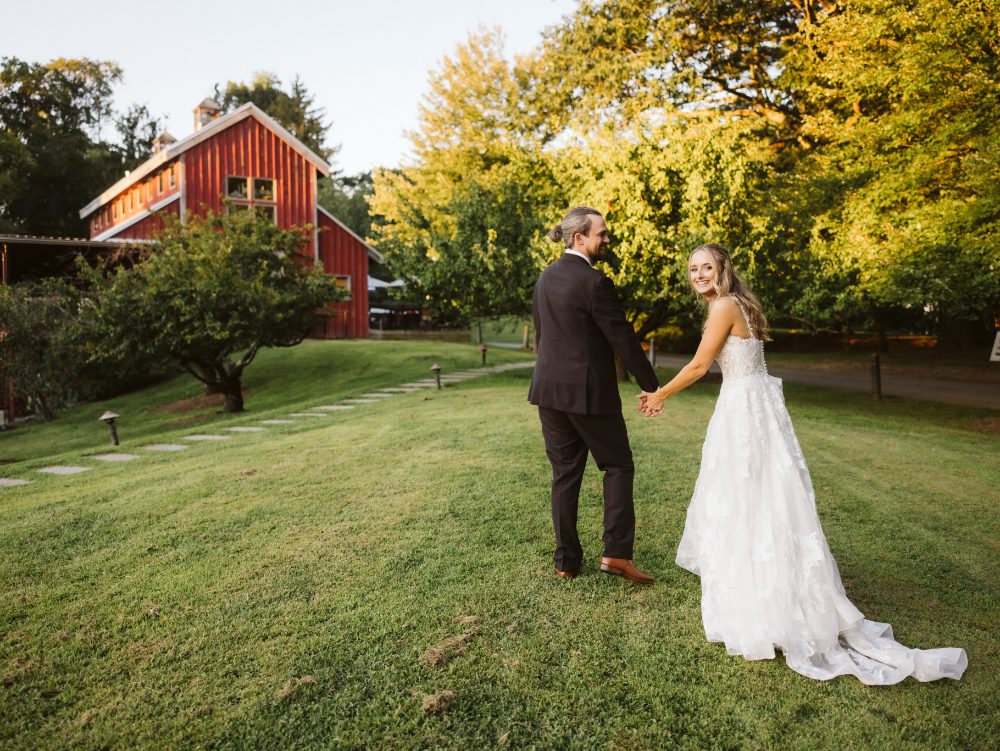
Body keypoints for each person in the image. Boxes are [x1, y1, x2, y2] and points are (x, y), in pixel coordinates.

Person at [640, 243, 968, 684]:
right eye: (693, 268)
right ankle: (767, 592)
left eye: (706, 267)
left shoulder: (722, 306)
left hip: (744, 413)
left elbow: (700, 365)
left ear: (722, 269)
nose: (698, 274)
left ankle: (762, 605)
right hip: (755, 411)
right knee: (762, 502)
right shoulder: (738, 304)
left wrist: (660, 393)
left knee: (747, 501)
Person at [528, 206, 660, 583]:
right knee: (618, 465)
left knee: (565, 476)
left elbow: (543, 337)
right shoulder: (594, 282)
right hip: (588, 394)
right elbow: (624, 340)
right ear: (579, 237)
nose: (606, 238)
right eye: (601, 233)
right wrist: (652, 386)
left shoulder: (545, 278)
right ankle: (617, 555)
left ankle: (566, 562)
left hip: (548, 391)